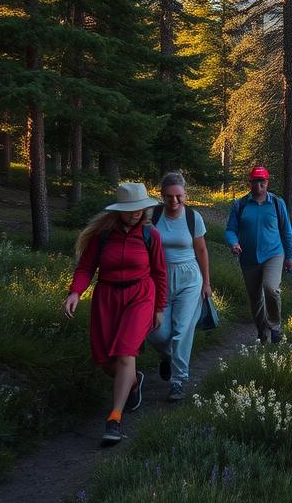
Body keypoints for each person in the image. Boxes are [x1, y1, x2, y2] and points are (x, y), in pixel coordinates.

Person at [63, 182, 167, 446]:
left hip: (140, 296)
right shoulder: (103, 236)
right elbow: (86, 267)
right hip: (107, 297)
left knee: (125, 352)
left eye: (140, 208)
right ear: (119, 210)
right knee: (105, 360)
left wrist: (160, 308)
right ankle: (133, 381)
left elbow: (159, 274)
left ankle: (114, 418)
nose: (137, 213)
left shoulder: (149, 235)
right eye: (131, 209)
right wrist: (75, 292)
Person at [145, 172, 210, 402]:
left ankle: (178, 380)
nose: (174, 202)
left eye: (179, 197)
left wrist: (207, 283)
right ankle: (168, 357)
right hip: (159, 279)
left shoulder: (194, 217)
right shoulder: (153, 216)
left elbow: (201, 250)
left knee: (182, 329)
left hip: (189, 278)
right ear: (161, 195)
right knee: (155, 330)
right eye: (169, 197)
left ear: (185, 195)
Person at [225, 166, 292, 343]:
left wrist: (289, 257)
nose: (259, 186)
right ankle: (262, 332)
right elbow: (231, 230)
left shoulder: (277, 203)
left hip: (273, 254)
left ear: (267, 183)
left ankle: (276, 327)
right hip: (248, 257)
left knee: (271, 289)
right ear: (250, 183)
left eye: (262, 182)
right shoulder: (240, 205)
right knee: (255, 298)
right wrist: (234, 243)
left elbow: (286, 231)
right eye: (255, 182)